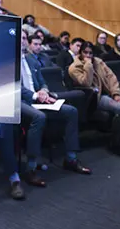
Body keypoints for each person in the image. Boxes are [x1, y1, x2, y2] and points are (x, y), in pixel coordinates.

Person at [19, 31, 91, 188]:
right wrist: (35, 95)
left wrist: (44, 91)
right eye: (21, 38)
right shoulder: (10, 61)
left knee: (71, 111)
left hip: (38, 99)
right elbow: (15, 88)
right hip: (21, 102)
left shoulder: (31, 60)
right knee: (39, 117)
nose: (23, 41)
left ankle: (70, 159)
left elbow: (42, 82)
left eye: (25, 38)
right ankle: (30, 168)